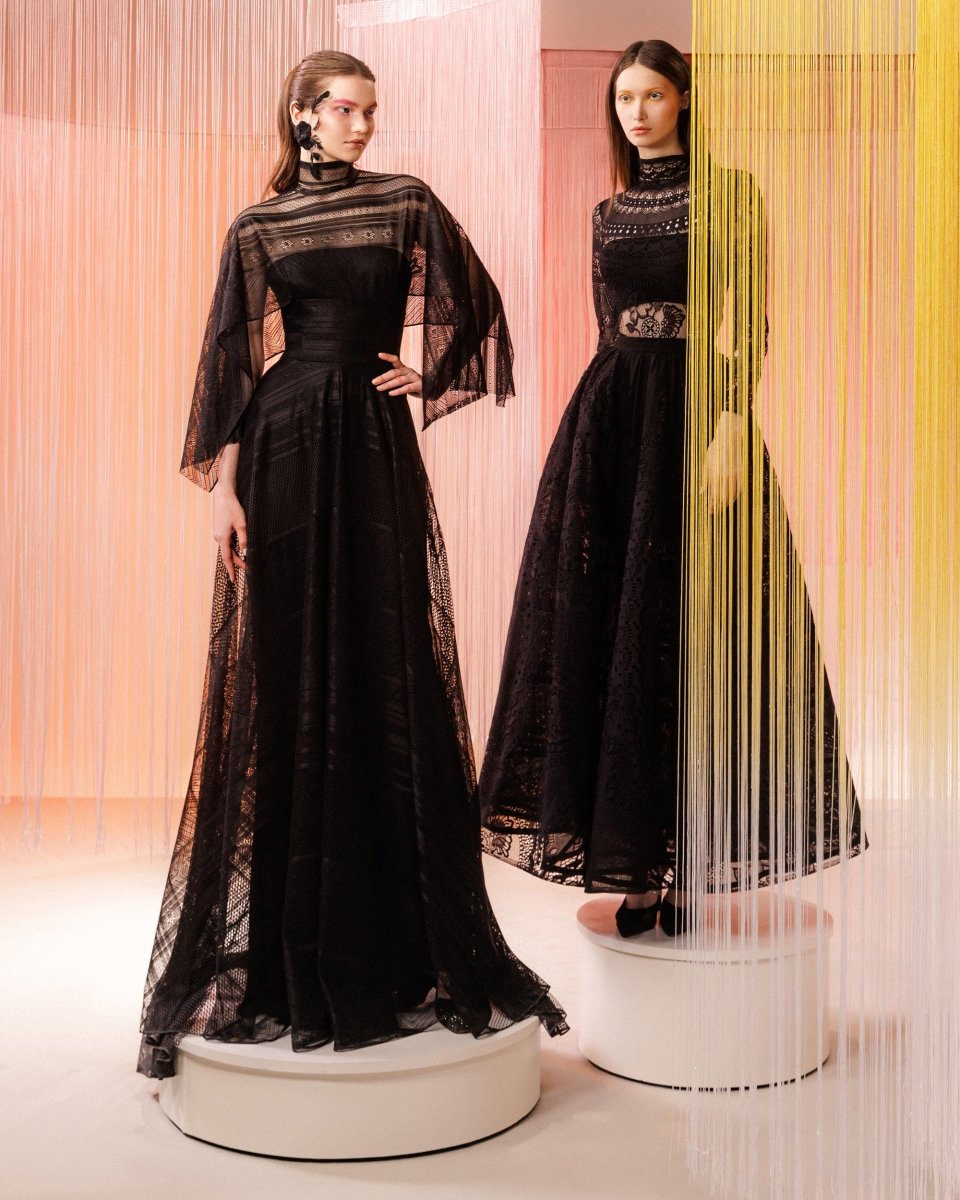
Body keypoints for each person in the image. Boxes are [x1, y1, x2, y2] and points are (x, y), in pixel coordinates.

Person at [138, 51, 566, 1079]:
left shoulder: (404, 200)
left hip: (372, 446)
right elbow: (233, 369)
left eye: (371, 110)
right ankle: (289, 955)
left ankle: (400, 939)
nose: (362, 124)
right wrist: (226, 493)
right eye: (343, 109)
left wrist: (430, 371)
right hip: (283, 448)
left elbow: (478, 307)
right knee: (288, 676)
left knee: (389, 662)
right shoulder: (259, 225)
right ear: (302, 114)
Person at [480, 39, 864, 937]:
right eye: (624, 99)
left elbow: (747, 320)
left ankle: (689, 860)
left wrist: (730, 425)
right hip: (612, 426)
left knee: (695, 630)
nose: (637, 113)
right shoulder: (608, 213)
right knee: (615, 630)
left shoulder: (730, 195)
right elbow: (608, 329)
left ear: (684, 98)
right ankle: (633, 866)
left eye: (652, 96)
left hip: (697, 424)